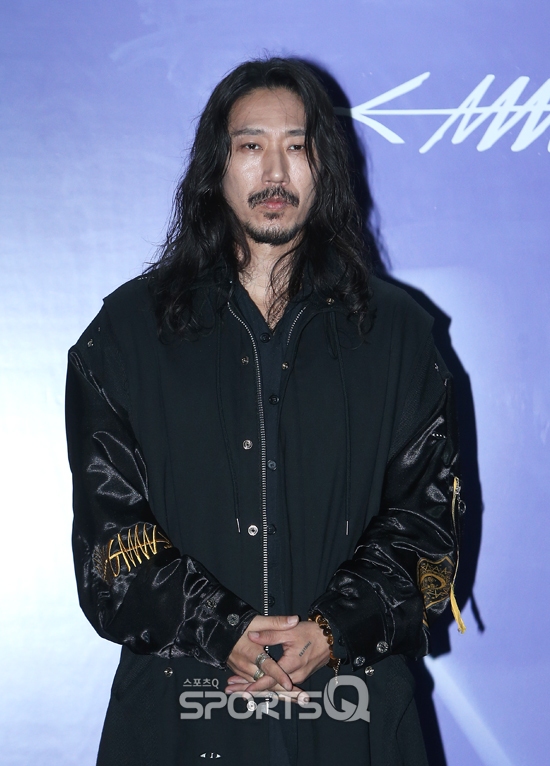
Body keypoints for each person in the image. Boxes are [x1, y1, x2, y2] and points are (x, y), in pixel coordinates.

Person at [66, 57, 464, 766]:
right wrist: (220, 628)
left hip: (356, 714)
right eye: (250, 145)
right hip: (182, 716)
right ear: (215, 166)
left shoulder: (399, 335)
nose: (274, 171)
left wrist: (333, 631)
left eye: (297, 146)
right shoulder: (125, 336)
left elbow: (427, 528)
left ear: (325, 166)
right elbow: (110, 540)